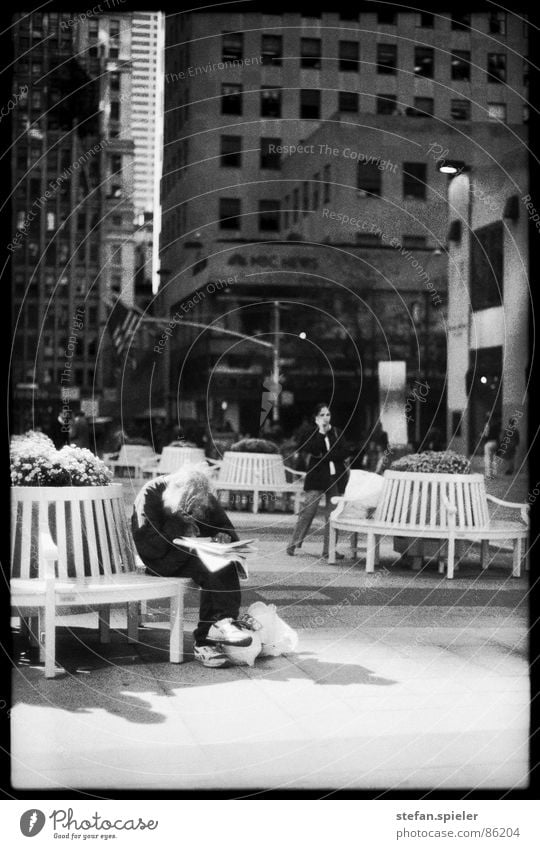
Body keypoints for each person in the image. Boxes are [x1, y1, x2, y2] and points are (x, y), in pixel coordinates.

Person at [131, 465, 252, 668]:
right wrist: (178, 523)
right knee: (209, 564)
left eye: (196, 504)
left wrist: (224, 535)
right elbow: (148, 545)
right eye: (186, 503)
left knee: (225, 560)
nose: (191, 507)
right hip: (161, 560)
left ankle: (222, 624)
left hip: (191, 553)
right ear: (175, 489)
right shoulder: (151, 493)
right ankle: (208, 638)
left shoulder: (201, 493)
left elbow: (223, 525)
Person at [287, 403, 349, 560]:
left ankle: (329, 549)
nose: (325, 418)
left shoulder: (337, 432)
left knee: (332, 515)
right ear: (316, 418)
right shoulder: (311, 433)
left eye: (328, 414)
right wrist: (321, 433)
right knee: (308, 511)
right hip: (316, 478)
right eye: (322, 415)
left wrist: (325, 456)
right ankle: (293, 543)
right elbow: (313, 449)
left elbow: (344, 453)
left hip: (335, 478)